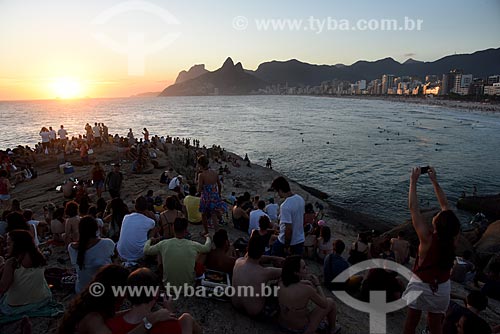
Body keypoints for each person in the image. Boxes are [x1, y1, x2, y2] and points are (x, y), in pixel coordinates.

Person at [403, 167, 461, 334]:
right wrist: (434, 181)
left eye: (436, 216)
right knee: (435, 325)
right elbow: (446, 207)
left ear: (437, 224)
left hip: (420, 284)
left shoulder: (427, 239)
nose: (436, 214)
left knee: (411, 322)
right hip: (441, 287)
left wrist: (413, 181)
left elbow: (413, 208)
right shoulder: (453, 237)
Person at [59, 264, 174, 334]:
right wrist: (149, 321)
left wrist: (137, 309)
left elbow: (111, 316)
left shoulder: (91, 304)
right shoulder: (93, 319)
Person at [105, 268, 201, 334]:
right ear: (155, 294)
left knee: (186, 318)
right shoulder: (165, 325)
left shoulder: (111, 323)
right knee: (187, 318)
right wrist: (169, 310)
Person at [0, 230, 63, 321]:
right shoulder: (38, 256)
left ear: (18, 244)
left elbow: (3, 287)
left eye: (9, 244)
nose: (6, 247)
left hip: (18, 305)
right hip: (42, 298)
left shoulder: (12, 262)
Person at [278, 255, 339, 334]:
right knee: (330, 302)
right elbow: (324, 304)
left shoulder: (281, 281)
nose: (307, 268)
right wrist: (318, 284)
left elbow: (292, 286)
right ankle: (333, 329)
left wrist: (302, 282)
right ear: (296, 273)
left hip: (282, 325)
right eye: (303, 267)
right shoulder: (306, 290)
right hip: (300, 330)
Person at [143, 217, 211, 287]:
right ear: (185, 230)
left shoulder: (164, 243)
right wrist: (208, 238)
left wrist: (150, 240)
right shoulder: (192, 244)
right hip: (188, 287)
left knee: (160, 251)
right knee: (202, 252)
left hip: (168, 286)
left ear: (173, 229)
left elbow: (146, 250)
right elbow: (207, 248)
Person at [232, 233, 282, 317]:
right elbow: (288, 271)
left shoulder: (238, 261)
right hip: (256, 312)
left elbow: (249, 258)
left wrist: (273, 258)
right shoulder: (265, 272)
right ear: (262, 252)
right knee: (277, 285)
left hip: (236, 304)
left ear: (247, 249)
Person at [68, 216, 115, 293]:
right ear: (96, 229)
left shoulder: (72, 248)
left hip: (81, 289)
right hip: (103, 290)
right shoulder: (107, 243)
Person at [270, 176, 305, 257]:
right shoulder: (300, 199)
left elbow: (288, 229)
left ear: (280, 190)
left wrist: (286, 246)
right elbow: (300, 219)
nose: (277, 194)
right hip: (300, 239)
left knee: (275, 256)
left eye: (277, 191)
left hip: (288, 242)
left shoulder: (285, 206)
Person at [116, 196, 156, 267]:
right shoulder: (149, 221)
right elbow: (155, 224)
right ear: (146, 208)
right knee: (154, 229)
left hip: (121, 253)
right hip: (138, 255)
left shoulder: (126, 217)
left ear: (135, 207)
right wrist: (149, 213)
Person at [197, 155, 227, 235]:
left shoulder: (201, 175)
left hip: (206, 197)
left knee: (203, 214)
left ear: (200, 165)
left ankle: (206, 231)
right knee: (214, 214)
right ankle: (217, 233)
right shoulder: (214, 172)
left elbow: (199, 189)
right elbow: (219, 185)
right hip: (214, 196)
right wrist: (219, 194)